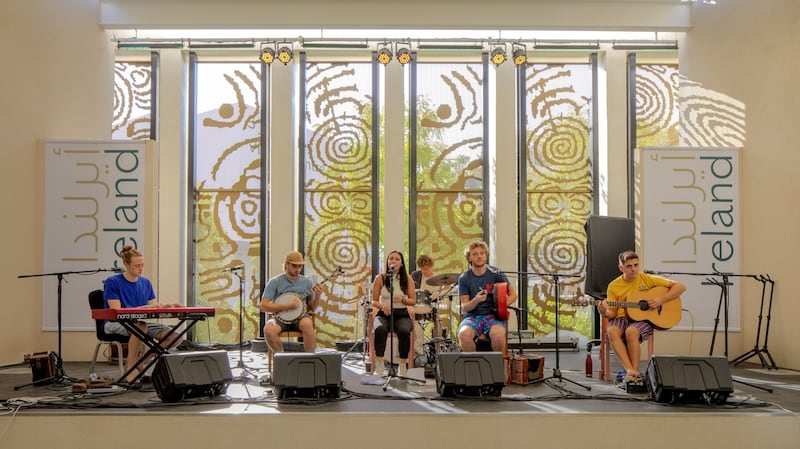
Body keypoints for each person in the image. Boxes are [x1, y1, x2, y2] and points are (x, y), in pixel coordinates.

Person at [597, 250, 686, 379]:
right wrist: (604, 311)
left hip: (643, 319)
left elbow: (681, 287)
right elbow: (612, 314)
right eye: (629, 266)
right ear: (621, 268)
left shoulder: (646, 278)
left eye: (636, 265)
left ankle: (634, 373)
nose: (633, 269)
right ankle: (630, 370)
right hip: (621, 317)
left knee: (631, 332)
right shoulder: (613, 286)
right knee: (612, 331)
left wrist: (661, 299)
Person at [103, 245, 183, 384]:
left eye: (142, 265)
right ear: (126, 264)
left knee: (175, 337)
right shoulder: (113, 282)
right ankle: (130, 368)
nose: (140, 268)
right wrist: (143, 307)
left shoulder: (146, 283)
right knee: (141, 327)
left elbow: (151, 306)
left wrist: (168, 306)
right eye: (137, 265)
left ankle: (138, 361)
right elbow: (116, 311)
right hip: (115, 323)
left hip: (141, 323)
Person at [457, 240, 517, 352]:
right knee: (464, 335)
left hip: (493, 317)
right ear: (469, 258)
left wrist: (500, 306)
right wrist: (476, 300)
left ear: (486, 256)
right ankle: (474, 362)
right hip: (472, 317)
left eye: (482, 253)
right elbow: (465, 307)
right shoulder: (464, 278)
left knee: (498, 335)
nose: (479, 256)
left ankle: (497, 363)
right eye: (475, 254)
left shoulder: (496, 273)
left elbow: (513, 295)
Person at [259, 251, 323, 355]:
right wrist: (286, 306)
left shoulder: (307, 282)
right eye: (294, 266)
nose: (297, 269)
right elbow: (263, 306)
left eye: (300, 266)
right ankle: (282, 358)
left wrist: (318, 296)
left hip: (301, 318)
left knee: (307, 324)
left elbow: (313, 308)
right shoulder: (275, 282)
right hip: (280, 318)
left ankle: (310, 359)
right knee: (268, 330)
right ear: (287, 264)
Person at [371, 250, 416, 376]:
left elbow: (413, 300)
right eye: (391, 258)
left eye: (397, 259)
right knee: (380, 329)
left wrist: (403, 299)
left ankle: (402, 364)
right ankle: (380, 363)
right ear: (387, 262)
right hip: (384, 314)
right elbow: (374, 300)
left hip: (402, 313)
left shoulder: (407, 279)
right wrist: (382, 306)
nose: (393, 261)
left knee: (404, 331)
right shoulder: (380, 278)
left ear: (401, 264)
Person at [410, 254, 436, 360]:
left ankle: (436, 347)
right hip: (416, 306)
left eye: (426, 268)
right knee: (413, 322)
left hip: (430, 306)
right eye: (422, 268)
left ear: (430, 266)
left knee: (437, 320)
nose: (424, 271)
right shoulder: (416, 275)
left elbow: (439, 294)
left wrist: (437, 294)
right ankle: (416, 351)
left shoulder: (436, 279)